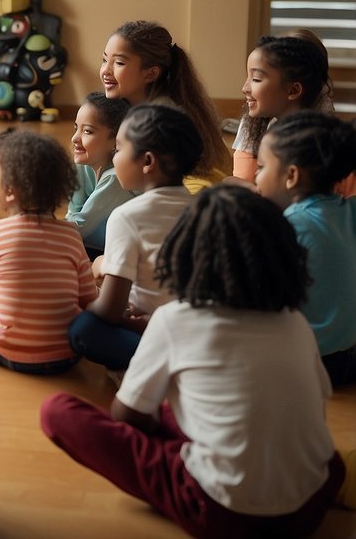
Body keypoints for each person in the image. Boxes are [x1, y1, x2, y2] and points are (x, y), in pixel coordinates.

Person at [41, 186, 346, 538]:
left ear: (187, 253)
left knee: (57, 411)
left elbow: (128, 417)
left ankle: (199, 461)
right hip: (313, 501)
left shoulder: (175, 318)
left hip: (224, 513)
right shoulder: (294, 321)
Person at [67, 104, 202, 371]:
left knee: (82, 328)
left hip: (155, 330)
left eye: (119, 149)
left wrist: (81, 304)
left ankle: (161, 364)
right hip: (198, 330)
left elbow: (110, 310)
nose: (114, 159)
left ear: (148, 162)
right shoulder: (202, 207)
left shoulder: (126, 216)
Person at [0, 129, 96, 374]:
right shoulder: (72, 236)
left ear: (10, 191)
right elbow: (88, 298)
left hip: (2, 347)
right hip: (65, 353)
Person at [253, 110, 356, 387]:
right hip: (349, 358)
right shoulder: (348, 211)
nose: (254, 175)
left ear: (291, 175)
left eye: (261, 167)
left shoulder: (290, 226)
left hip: (306, 363)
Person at [99, 20, 228, 188]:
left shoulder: (165, 116)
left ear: (151, 73)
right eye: (104, 60)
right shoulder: (128, 106)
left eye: (119, 63)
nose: (106, 71)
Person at [232, 31, 331, 182]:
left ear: (294, 90)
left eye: (256, 79)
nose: (244, 88)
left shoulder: (318, 143)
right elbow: (242, 178)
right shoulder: (263, 124)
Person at [65, 92, 134, 256]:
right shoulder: (83, 165)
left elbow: (81, 225)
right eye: (76, 128)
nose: (75, 138)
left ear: (116, 140)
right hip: (90, 246)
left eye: (87, 131)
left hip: (121, 255)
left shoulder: (116, 178)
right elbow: (72, 214)